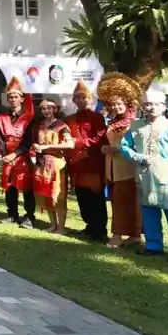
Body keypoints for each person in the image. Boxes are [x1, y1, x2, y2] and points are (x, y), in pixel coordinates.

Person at [119, 87, 168, 263]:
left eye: (155, 104)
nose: (151, 108)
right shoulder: (136, 125)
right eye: (147, 104)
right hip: (144, 174)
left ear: (164, 106)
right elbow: (125, 146)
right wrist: (138, 157)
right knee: (148, 211)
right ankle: (153, 245)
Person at [98, 73, 144, 248]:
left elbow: (138, 145)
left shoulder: (134, 123)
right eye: (114, 104)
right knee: (118, 201)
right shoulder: (113, 122)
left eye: (119, 104)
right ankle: (132, 234)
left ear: (127, 104)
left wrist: (117, 149)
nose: (116, 107)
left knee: (128, 202)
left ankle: (122, 235)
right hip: (112, 168)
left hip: (127, 168)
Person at [67, 81, 109, 241]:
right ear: (73, 101)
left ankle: (100, 229)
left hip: (93, 163)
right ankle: (89, 226)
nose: (81, 100)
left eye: (84, 97)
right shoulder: (70, 119)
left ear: (90, 100)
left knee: (95, 196)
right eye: (77, 98)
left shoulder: (97, 117)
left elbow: (100, 137)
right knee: (82, 195)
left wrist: (80, 143)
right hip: (77, 164)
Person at [0, 77, 36, 228]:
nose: (12, 99)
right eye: (10, 97)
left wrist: (15, 154)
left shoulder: (30, 118)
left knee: (26, 187)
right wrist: (4, 154)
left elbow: (29, 139)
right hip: (7, 155)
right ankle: (12, 214)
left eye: (16, 97)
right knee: (9, 185)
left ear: (22, 98)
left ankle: (29, 216)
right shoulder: (2, 117)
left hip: (23, 155)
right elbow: (0, 138)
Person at [30, 98, 74, 234]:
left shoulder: (62, 125)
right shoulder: (40, 125)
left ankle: (61, 228)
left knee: (58, 195)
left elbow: (70, 144)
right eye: (43, 108)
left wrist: (48, 146)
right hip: (42, 163)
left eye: (49, 108)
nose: (46, 111)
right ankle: (52, 224)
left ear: (55, 109)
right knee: (45, 194)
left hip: (57, 163)